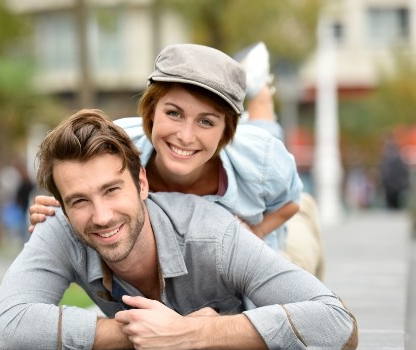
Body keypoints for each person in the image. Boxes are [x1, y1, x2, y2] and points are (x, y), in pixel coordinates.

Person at [0, 109, 357, 350]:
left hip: (285, 226)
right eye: (79, 201)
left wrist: (191, 333)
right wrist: (136, 332)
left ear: (142, 183)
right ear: (63, 205)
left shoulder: (215, 235)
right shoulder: (59, 226)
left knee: (276, 177)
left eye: (112, 190)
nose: (101, 216)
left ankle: (262, 111)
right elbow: (7, 325)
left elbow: (337, 324)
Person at [29, 43, 324, 279]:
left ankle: (258, 95)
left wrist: (255, 232)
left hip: (272, 220)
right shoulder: (115, 148)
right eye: (173, 113)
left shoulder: (262, 157)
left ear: (225, 131)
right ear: (151, 111)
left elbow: (291, 204)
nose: (185, 136)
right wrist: (60, 208)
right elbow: (80, 188)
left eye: (206, 121)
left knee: (263, 135)